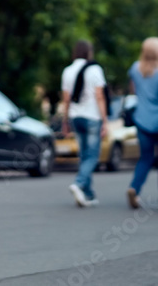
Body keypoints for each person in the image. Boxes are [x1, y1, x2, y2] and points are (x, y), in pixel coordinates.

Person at [60, 39, 108, 207]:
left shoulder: (67, 71)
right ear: (89, 52)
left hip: (75, 117)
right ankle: (79, 183)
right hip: (92, 117)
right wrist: (105, 119)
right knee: (93, 156)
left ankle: (88, 194)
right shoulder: (95, 69)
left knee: (84, 155)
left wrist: (64, 121)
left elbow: (66, 99)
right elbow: (100, 96)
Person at [125, 37, 158, 210]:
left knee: (145, 158)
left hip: (141, 120)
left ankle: (134, 188)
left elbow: (133, 92)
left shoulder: (135, 69)